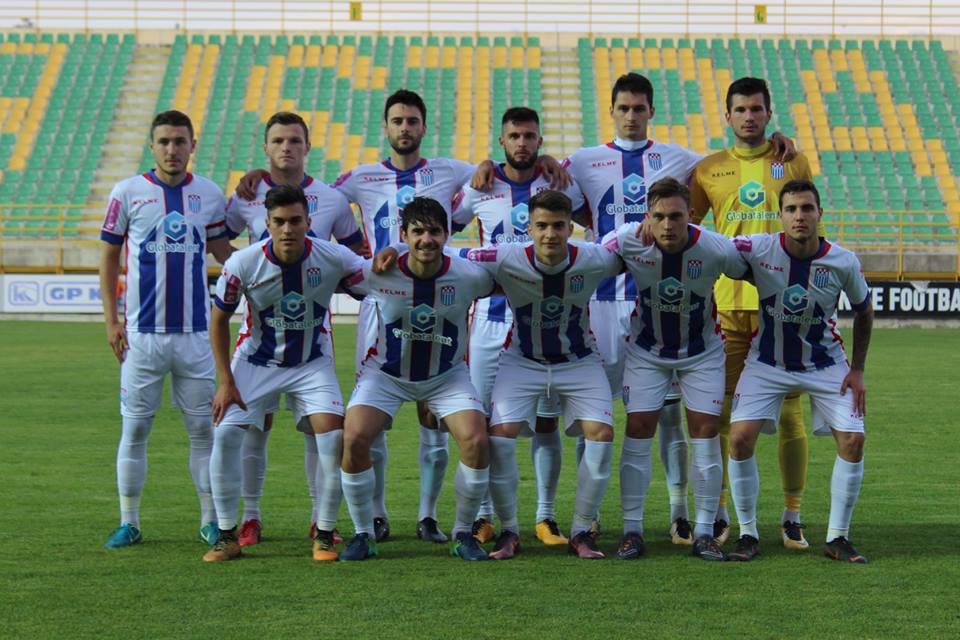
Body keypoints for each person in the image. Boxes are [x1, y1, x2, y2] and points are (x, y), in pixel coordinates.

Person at [202, 184, 366, 562]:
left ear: (308, 221)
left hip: (311, 363)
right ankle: (226, 534)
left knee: (332, 437)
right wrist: (226, 382)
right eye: (279, 221)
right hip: (256, 361)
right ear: (267, 223)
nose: (288, 229)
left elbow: (371, 275)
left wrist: (387, 260)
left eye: (295, 221)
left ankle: (323, 533)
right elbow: (218, 320)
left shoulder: (333, 256)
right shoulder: (242, 263)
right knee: (225, 434)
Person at [451, 106, 585, 547]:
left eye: (529, 136)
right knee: (487, 424)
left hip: (545, 322)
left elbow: (592, 222)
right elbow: (442, 228)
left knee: (546, 422)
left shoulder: (558, 182)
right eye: (514, 136)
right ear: (502, 141)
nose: (522, 143)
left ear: (540, 141)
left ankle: (546, 516)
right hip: (490, 323)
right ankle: (485, 517)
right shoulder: (480, 185)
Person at [463, 190, 622, 560]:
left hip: (578, 361)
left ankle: (582, 530)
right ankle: (509, 531)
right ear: (529, 228)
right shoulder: (505, 256)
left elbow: (629, 251)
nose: (550, 234)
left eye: (558, 226)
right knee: (500, 437)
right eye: (542, 226)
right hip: (523, 360)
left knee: (601, 434)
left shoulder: (594, 257)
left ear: (570, 228)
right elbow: (455, 257)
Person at [690, 77, 814, 548]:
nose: (748, 117)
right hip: (726, 306)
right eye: (740, 109)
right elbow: (689, 230)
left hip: (783, 307)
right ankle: (722, 513)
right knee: (722, 414)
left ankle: (792, 514)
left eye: (756, 109)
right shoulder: (708, 169)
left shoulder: (791, 160)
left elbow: (805, 224)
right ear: (727, 116)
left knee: (790, 413)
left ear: (768, 113)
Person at [99, 110, 233, 548]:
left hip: (196, 336)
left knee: (203, 433)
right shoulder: (128, 192)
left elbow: (223, 253)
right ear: (152, 146)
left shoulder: (208, 194)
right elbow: (109, 258)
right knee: (135, 431)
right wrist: (112, 320)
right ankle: (129, 521)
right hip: (142, 337)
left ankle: (210, 520)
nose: (172, 149)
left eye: (179, 141)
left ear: (193, 145)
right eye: (164, 142)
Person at [337, 197, 494, 562]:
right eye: (418, 232)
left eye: (435, 231)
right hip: (386, 375)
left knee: (476, 440)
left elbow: (505, 281)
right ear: (404, 236)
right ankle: (363, 533)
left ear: (447, 234)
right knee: (355, 438)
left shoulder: (470, 275)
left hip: (446, 376)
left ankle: (463, 533)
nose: (427, 239)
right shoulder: (378, 271)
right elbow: (337, 274)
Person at [724, 179, 873, 564]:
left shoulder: (842, 260)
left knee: (853, 441)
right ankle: (747, 534)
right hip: (767, 362)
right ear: (781, 215)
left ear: (820, 213)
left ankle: (838, 538)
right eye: (791, 209)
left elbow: (864, 310)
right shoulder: (760, 249)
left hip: (826, 364)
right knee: (739, 439)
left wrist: (858, 370)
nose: (799, 216)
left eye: (807, 208)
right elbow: (717, 248)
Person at [603, 177, 745, 562]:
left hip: (702, 353)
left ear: (691, 215)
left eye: (676, 216)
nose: (667, 225)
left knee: (705, 431)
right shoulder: (629, 240)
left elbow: (755, 269)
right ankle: (632, 531)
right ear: (647, 217)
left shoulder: (715, 247)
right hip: (647, 352)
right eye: (659, 216)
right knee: (638, 429)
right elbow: (591, 259)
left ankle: (705, 532)